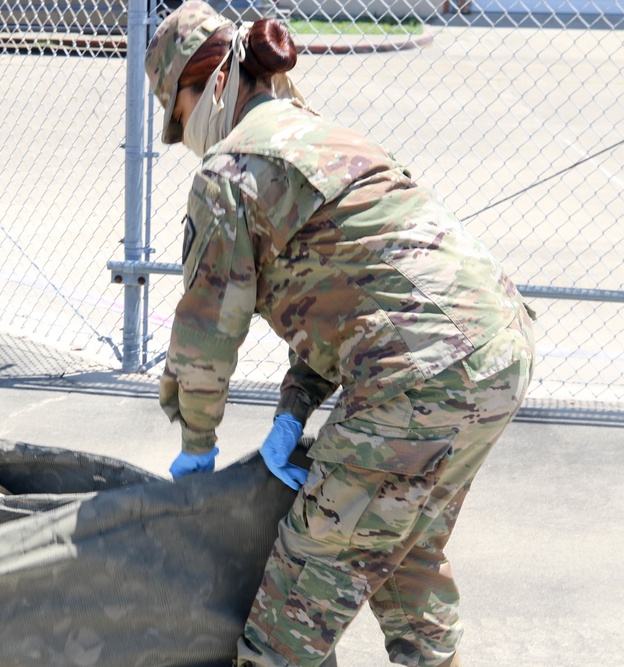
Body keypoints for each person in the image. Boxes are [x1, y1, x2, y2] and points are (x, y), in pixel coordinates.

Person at [145, 2, 534, 666]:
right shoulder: (327, 135)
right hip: (497, 350)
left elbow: (208, 335)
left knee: (295, 601)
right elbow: (354, 295)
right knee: (404, 556)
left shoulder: (228, 174)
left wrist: (196, 446)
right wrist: (292, 413)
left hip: (415, 375)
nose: (183, 136)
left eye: (177, 116)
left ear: (206, 83)